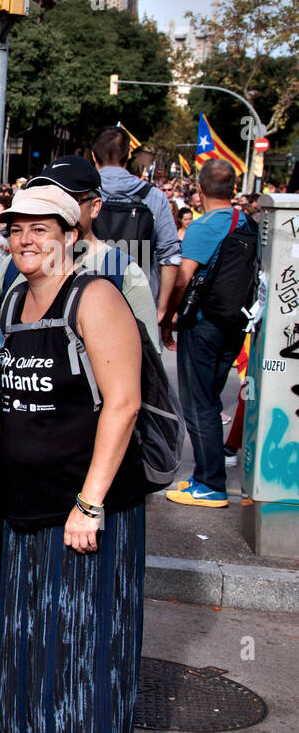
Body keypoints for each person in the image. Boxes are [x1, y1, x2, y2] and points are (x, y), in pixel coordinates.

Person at [0, 184, 145, 733]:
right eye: (16, 229)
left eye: (40, 228)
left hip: (86, 512)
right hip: (25, 509)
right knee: (26, 643)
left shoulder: (95, 297)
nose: (26, 240)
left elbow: (124, 402)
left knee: (85, 648)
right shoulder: (17, 297)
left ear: (71, 234)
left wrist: (91, 502)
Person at [0, 155, 160, 348]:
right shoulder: (13, 265)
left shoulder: (123, 271)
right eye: (45, 196)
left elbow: (148, 361)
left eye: (68, 198)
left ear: (95, 206)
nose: (54, 205)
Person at [162, 158, 247, 509]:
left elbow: (183, 277)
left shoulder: (202, 227)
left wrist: (168, 316)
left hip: (203, 323)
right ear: (233, 189)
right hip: (235, 323)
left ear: (199, 191)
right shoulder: (248, 223)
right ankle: (202, 478)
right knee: (209, 400)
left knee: (199, 405)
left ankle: (211, 483)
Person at [91, 127, 181, 307]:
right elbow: (170, 256)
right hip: (140, 301)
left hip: (88, 299)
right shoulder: (154, 196)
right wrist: (161, 308)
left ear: (94, 156)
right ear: (128, 156)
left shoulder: (81, 195)